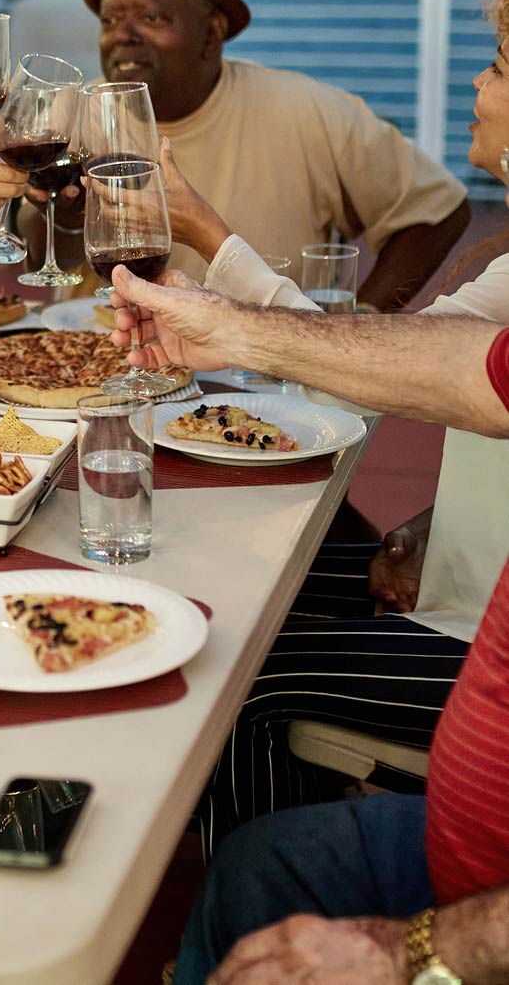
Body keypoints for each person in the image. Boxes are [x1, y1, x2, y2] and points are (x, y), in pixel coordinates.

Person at [97, 271, 509, 985]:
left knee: (245, 671)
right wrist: (226, 327)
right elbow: (459, 368)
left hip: (478, 914)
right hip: (463, 835)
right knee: (255, 860)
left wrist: (421, 948)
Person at [0, 0, 470, 310]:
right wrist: (63, 216)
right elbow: (50, 257)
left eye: (152, 19)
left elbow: (439, 210)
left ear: (212, 34)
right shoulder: (73, 115)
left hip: (254, 378)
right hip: (106, 362)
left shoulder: (306, 111)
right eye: (109, 20)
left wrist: (366, 322)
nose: (121, 36)